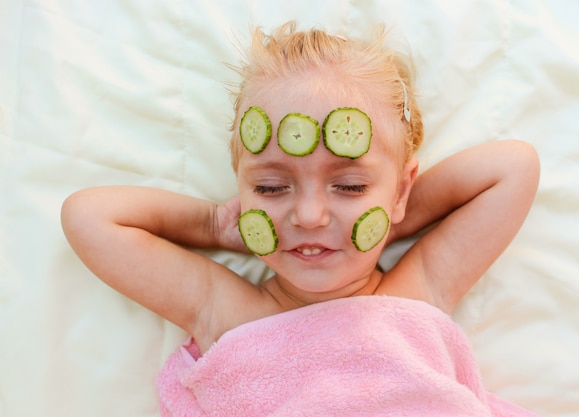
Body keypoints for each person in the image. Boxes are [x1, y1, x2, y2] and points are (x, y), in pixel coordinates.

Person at [61, 22, 540, 415]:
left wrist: (391, 216)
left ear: (401, 190)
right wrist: (215, 227)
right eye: (271, 188)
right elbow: (90, 217)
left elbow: (512, 167)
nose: (309, 216)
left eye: (350, 186)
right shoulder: (223, 310)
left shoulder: (420, 291)